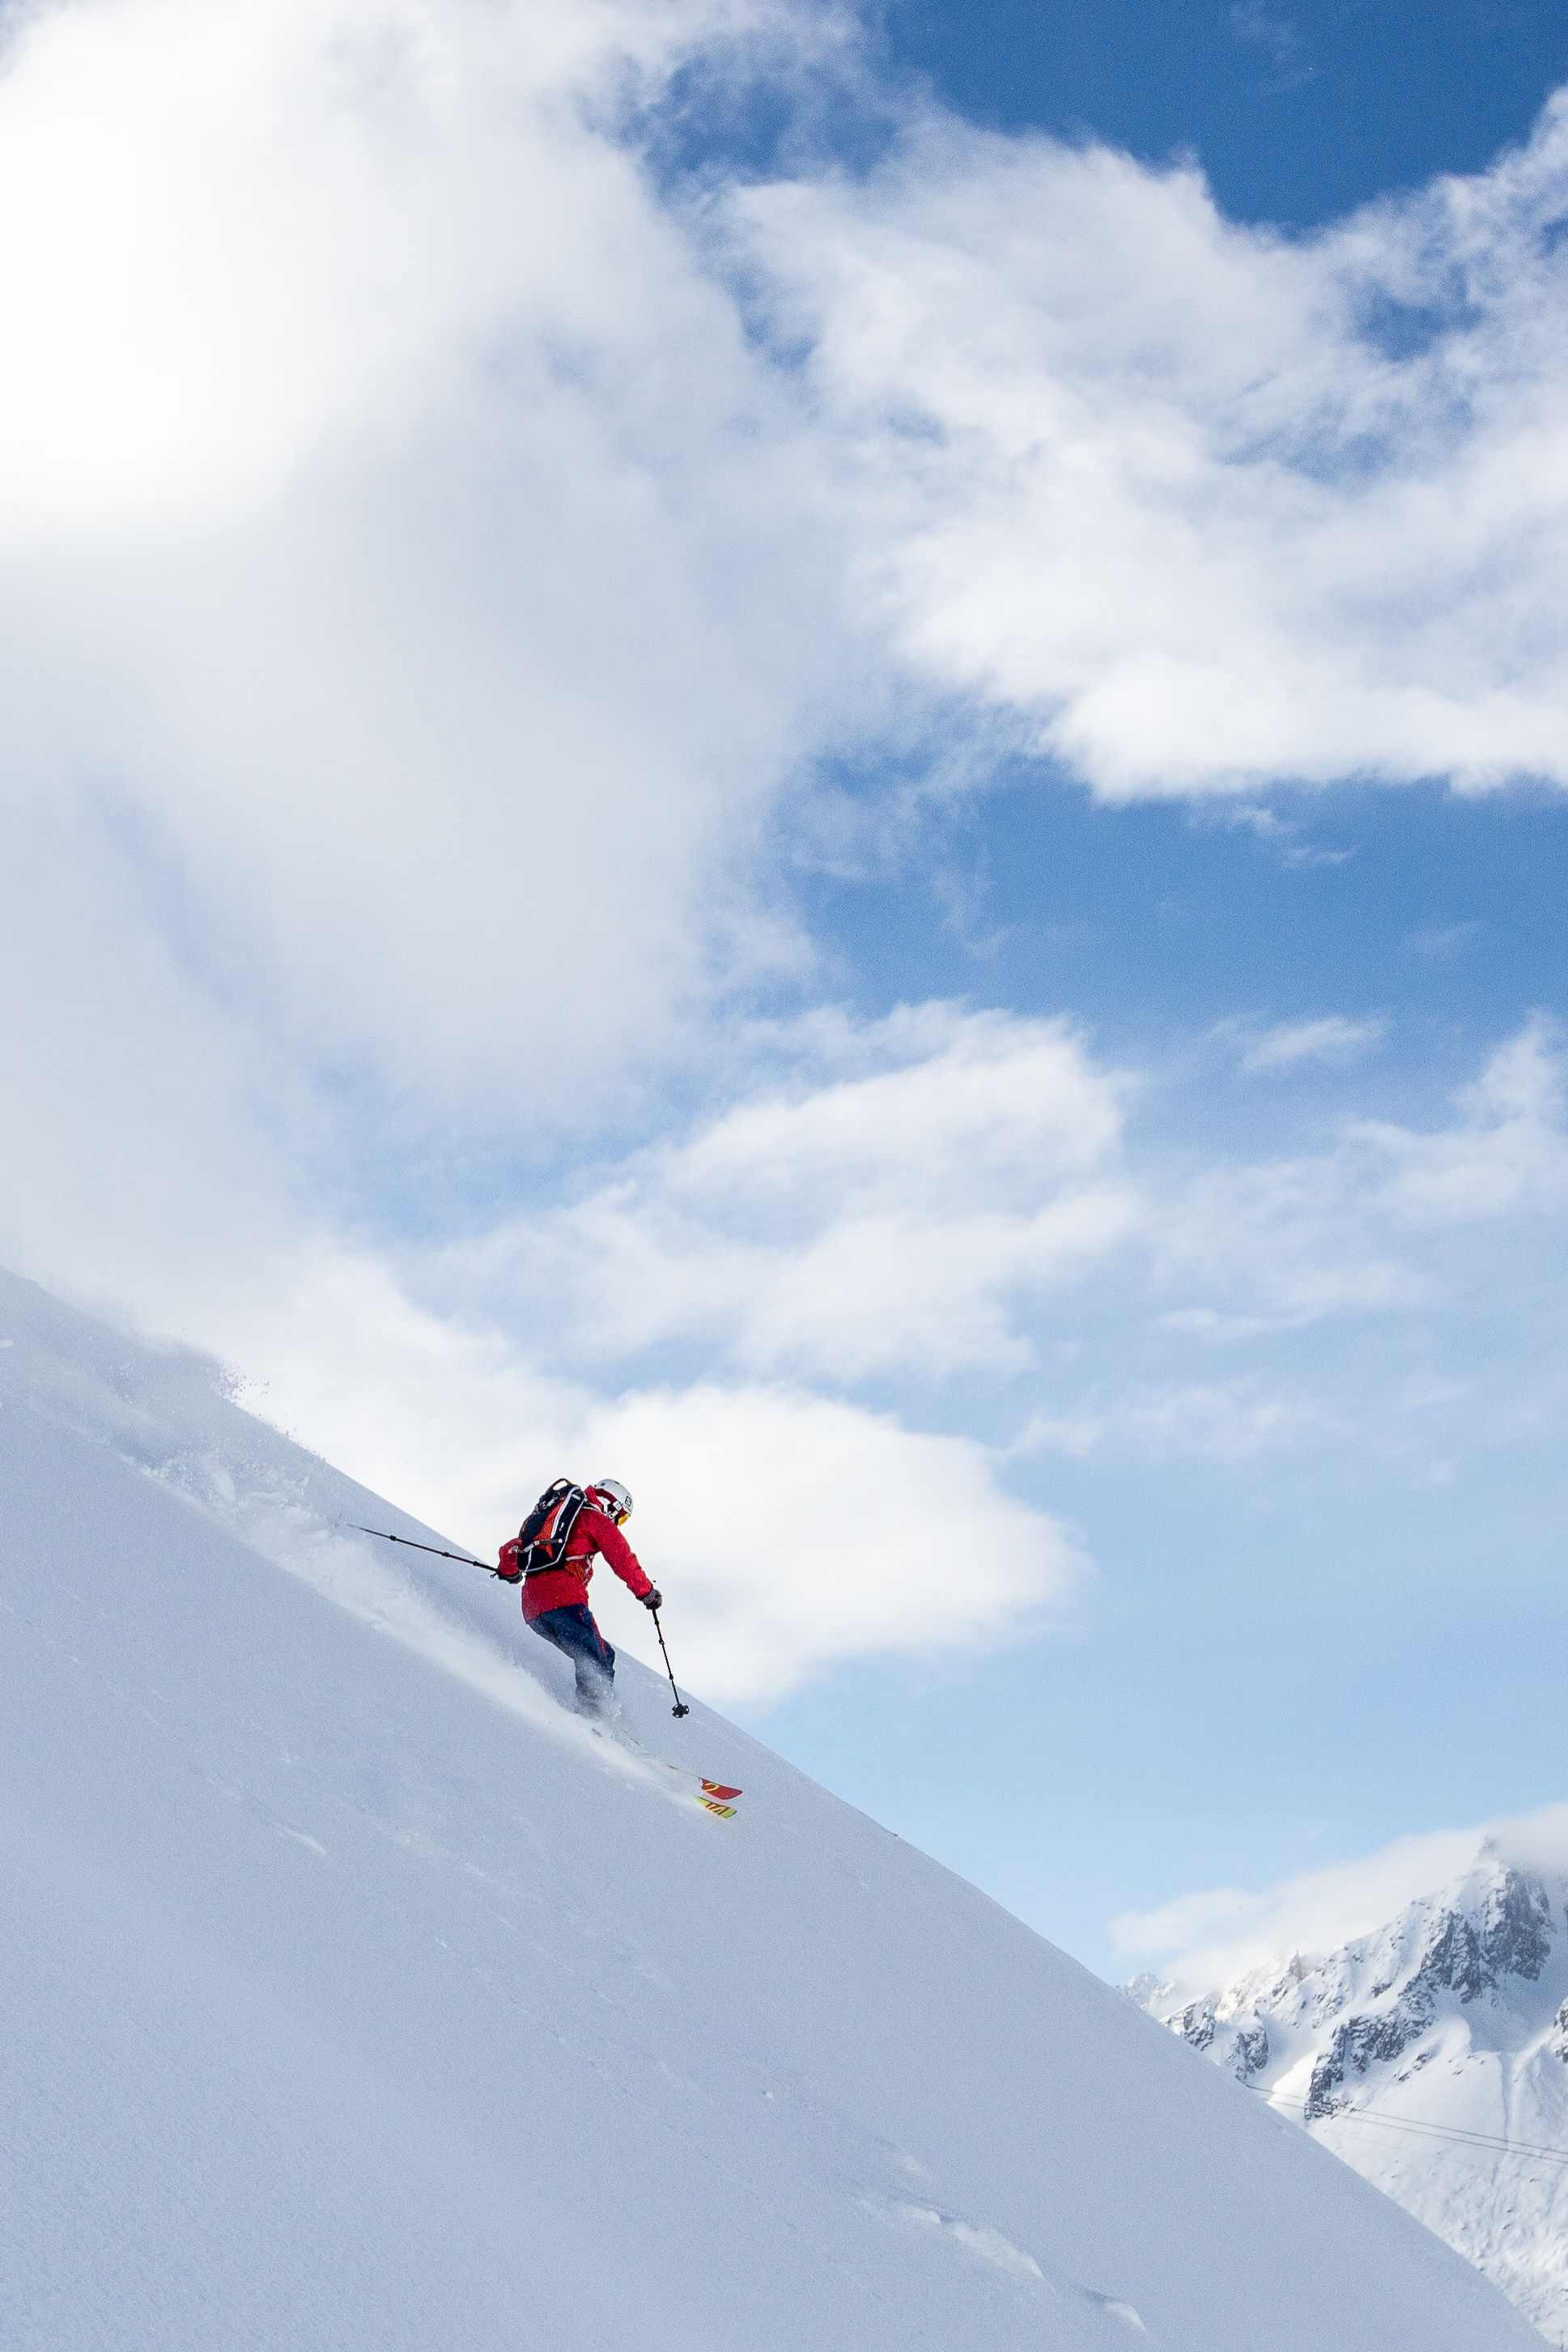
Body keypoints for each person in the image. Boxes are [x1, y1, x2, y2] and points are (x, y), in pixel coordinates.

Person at [498, 1478, 661, 1716]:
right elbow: (622, 1557)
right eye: (622, 1517)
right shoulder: (594, 1518)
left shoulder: (557, 1515)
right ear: (611, 1504)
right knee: (596, 1660)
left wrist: (509, 1571)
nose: (618, 1522)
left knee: (603, 1654)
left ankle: (591, 1711)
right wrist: (647, 1592)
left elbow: (516, 1549)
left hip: (533, 1610)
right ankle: (593, 1717)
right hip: (563, 1599)